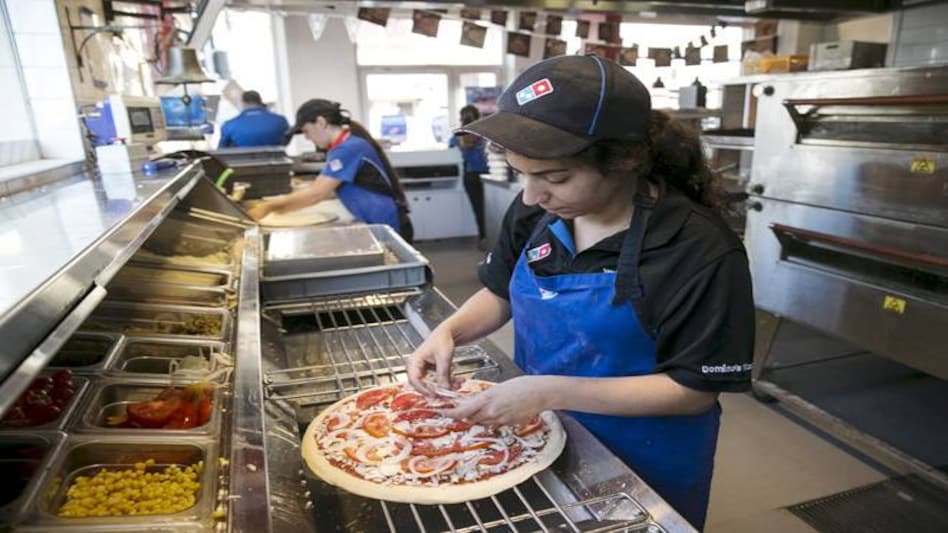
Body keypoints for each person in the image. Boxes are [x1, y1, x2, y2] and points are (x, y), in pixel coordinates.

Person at [407, 55, 754, 529]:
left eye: (554, 178)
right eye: (519, 174)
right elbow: (500, 291)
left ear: (623, 160)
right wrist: (448, 331)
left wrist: (548, 391)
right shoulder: (535, 214)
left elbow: (693, 390)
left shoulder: (698, 250)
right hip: (536, 427)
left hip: (646, 454)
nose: (530, 195)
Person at [246, 99, 413, 242]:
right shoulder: (342, 146)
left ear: (321, 122)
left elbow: (317, 193)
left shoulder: (348, 148)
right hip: (378, 223)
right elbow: (331, 189)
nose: (307, 137)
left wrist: (269, 207)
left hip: (389, 225)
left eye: (306, 131)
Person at [449, 105, 489, 247]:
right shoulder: (486, 134)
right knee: (491, 209)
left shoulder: (457, 136)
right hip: (488, 177)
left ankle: (484, 238)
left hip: (470, 176)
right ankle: (494, 238)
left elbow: (450, 150)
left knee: (478, 209)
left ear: (461, 118)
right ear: (478, 117)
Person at [218, 90, 290, 148]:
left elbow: (222, 151)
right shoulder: (280, 121)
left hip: (242, 164)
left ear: (243, 103)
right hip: (276, 163)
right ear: (260, 101)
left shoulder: (229, 125)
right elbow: (285, 142)